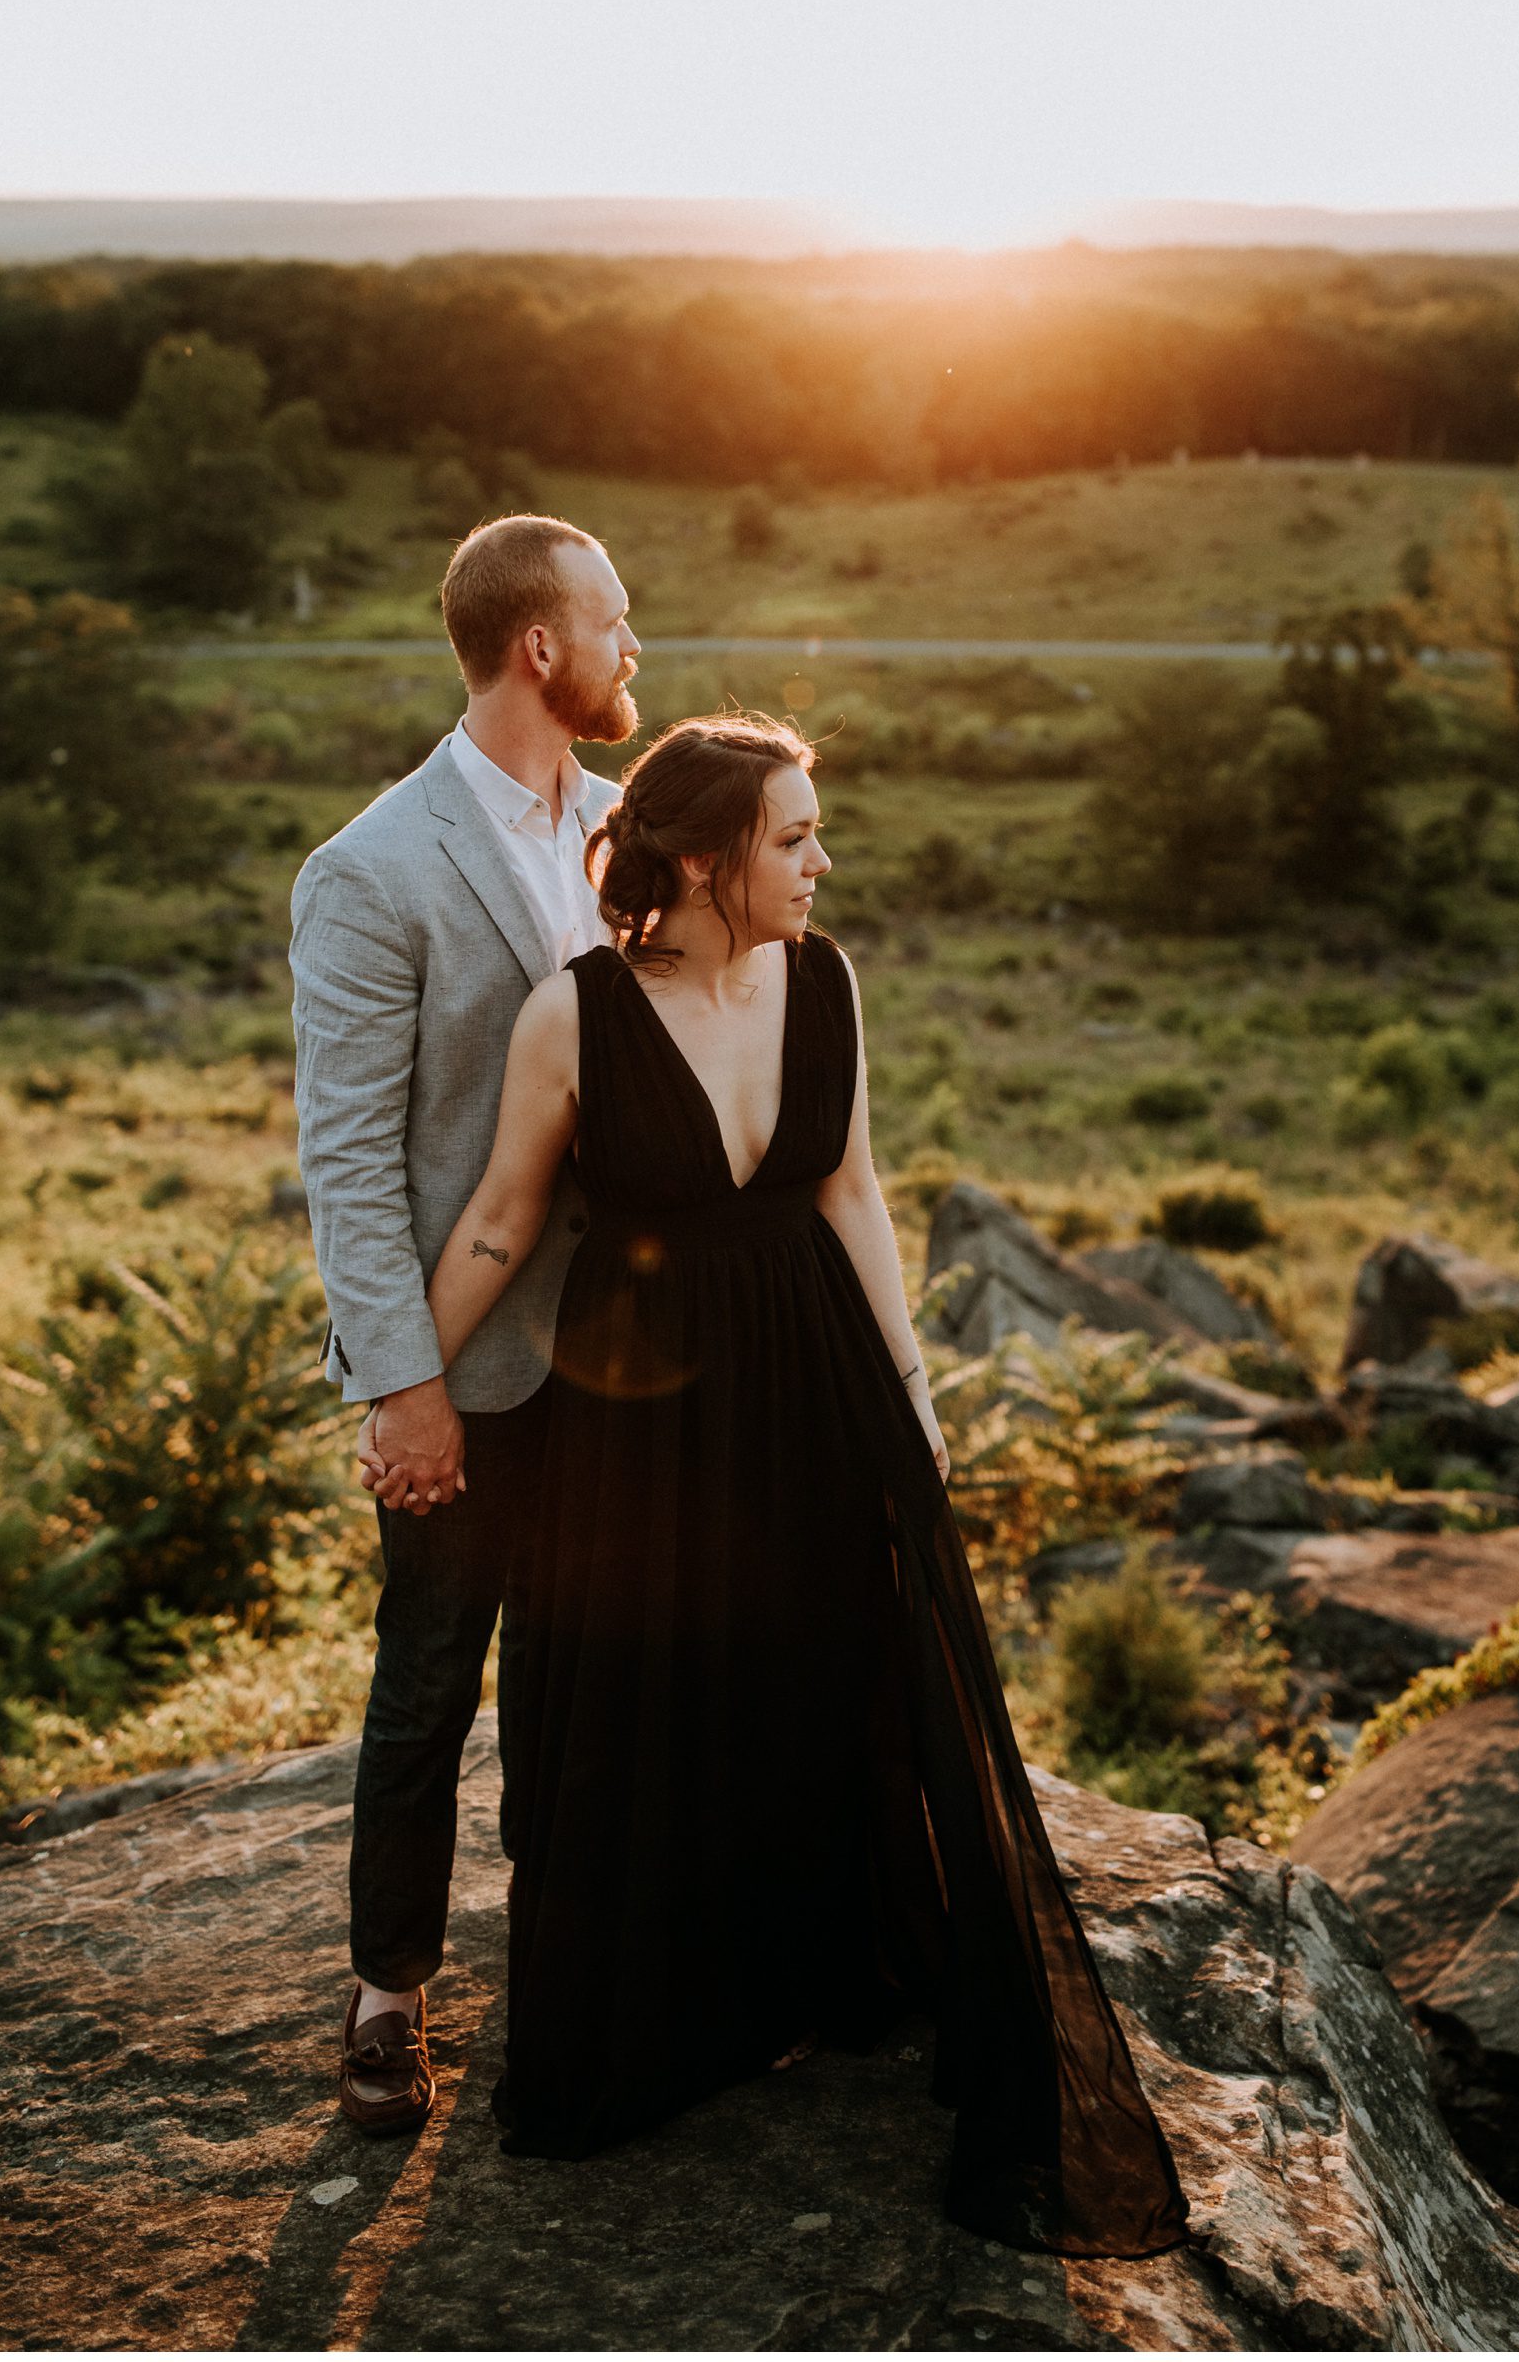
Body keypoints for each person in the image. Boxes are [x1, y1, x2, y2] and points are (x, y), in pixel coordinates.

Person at [362, 712, 1190, 2260]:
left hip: (813, 1381)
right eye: (795, 835)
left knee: (822, 1673)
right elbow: (497, 1218)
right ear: (701, 858)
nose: (823, 860)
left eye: (817, 832)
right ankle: (673, 2021)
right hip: (644, 1420)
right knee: (651, 1699)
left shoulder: (827, 979)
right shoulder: (578, 1014)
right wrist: (402, 1382)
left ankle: (806, 1976)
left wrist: (913, 1389)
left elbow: (851, 1187)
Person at [289, 511, 640, 2139]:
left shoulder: (635, 831)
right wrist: (402, 1383)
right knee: (430, 1675)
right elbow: (349, 1157)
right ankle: (387, 1998)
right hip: (471, 1361)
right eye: (617, 622)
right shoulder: (372, 869)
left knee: (611, 1675)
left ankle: (593, 1966)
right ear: (540, 648)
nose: (639, 647)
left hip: (638, 1352)